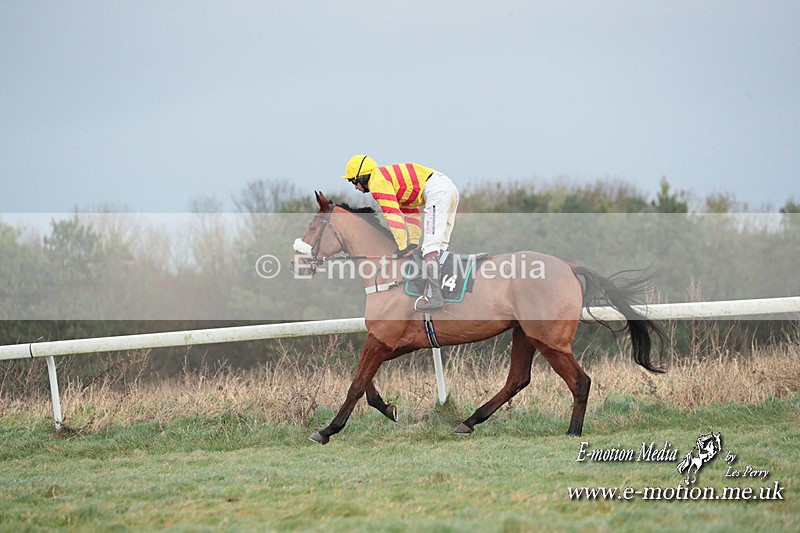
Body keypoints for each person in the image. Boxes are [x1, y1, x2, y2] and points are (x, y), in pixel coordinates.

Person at [342, 154, 460, 310]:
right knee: (439, 247)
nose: (355, 187)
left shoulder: (377, 182)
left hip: (437, 191)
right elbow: (410, 212)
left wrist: (402, 246)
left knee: (430, 249)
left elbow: (392, 214)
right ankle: (443, 291)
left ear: (363, 176)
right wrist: (413, 243)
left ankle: (436, 297)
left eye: (354, 181)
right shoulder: (391, 183)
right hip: (449, 187)